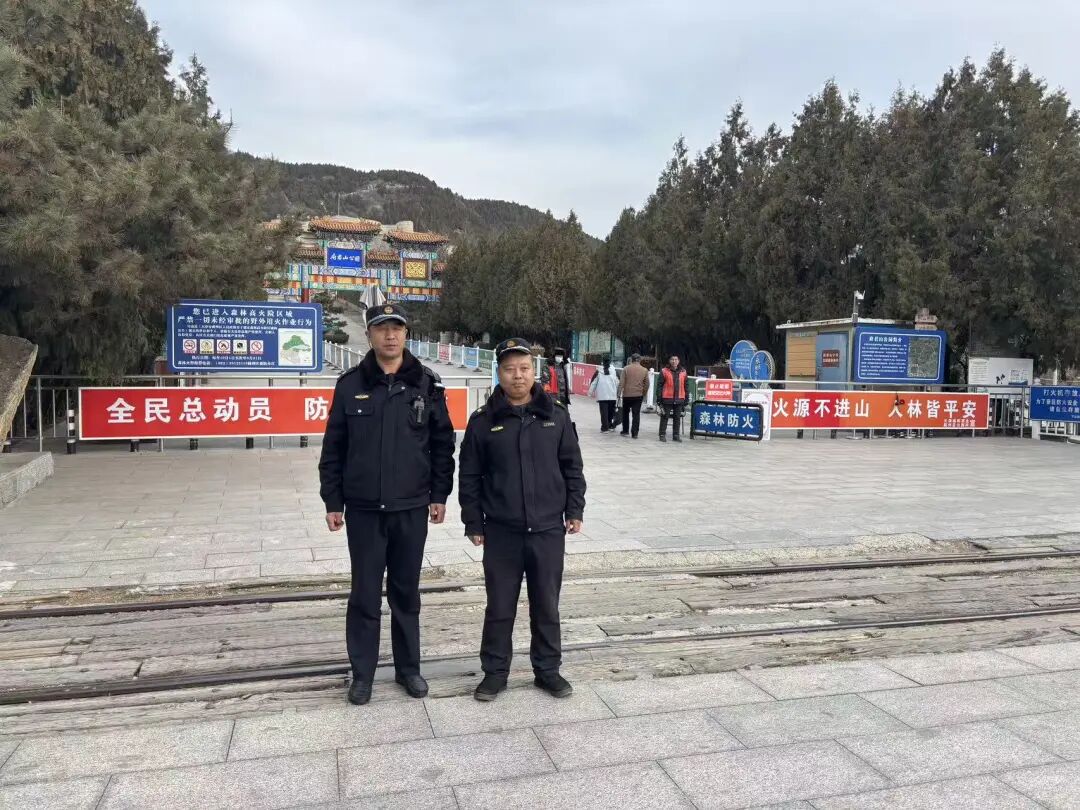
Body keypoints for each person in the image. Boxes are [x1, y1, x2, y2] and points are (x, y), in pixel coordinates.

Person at [318, 302, 456, 706]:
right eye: (382, 328)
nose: (390, 335)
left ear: (406, 334)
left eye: (397, 328)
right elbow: (334, 448)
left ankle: (408, 669)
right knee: (364, 594)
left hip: (411, 508)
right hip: (363, 510)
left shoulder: (427, 384)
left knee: (405, 593)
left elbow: (443, 445)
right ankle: (362, 674)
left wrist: (439, 495)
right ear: (370, 335)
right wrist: (333, 500)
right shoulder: (350, 385)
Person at [459, 338, 586, 702]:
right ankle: (494, 673)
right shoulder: (483, 422)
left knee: (546, 605)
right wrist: (473, 522)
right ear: (499, 374)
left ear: (535, 372)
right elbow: (469, 476)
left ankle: (547, 671)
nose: (518, 376)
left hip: (547, 530)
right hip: (502, 532)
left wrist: (574, 510)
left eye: (524, 368)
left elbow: (572, 467)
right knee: (500, 607)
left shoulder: (555, 416)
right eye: (510, 369)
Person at [658, 354, 689, 442]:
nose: (674, 361)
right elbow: (659, 385)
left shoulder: (683, 372)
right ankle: (662, 435)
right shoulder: (664, 371)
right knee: (665, 417)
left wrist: (686, 398)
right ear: (669, 361)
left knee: (677, 418)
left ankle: (676, 435)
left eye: (676, 359)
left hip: (679, 399)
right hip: (667, 398)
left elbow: (686, 386)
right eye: (672, 359)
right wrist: (659, 398)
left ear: (678, 361)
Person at [618, 353, 648, 438]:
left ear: (631, 359)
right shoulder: (644, 370)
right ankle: (635, 433)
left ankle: (625, 431)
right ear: (640, 360)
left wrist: (618, 393)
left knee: (625, 413)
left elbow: (621, 383)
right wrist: (644, 393)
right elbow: (647, 384)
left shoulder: (626, 369)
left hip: (627, 395)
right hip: (638, 395)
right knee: (636, 414)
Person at [588, 356, 620, 432]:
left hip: (602, 396)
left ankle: (605, 428)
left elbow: (593, 383)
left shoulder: (598, 371)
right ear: (610, 362)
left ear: (602, 362)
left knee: (604, 413)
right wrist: (618, 393)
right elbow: (618, 383)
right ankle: (609, 425)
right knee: (610, 412)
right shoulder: (614, 371)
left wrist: (590, 393)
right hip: (612, 395)